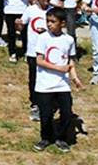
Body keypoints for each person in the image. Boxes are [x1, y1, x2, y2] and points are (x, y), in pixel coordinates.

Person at [32, 8, 83, 153]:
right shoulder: (43, 38)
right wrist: (58, 68)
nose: (49, 24)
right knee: (46, 114)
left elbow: (70, 61)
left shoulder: (68, 40)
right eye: (47, 21)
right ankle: (46, 137)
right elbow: (39, 61)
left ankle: (61, 138)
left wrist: (75, 78)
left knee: (66, 112)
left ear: (63, 23)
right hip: (45, 85)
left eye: (53, 22)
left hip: (62, 85)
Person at [18, 0, 53, 122]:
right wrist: (18, 23)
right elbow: (21, 26)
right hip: (33, 51)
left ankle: (48, 101)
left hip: (49, 52)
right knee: (34, 78)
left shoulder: (52, 11)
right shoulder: (30, 10)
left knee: (47, 77)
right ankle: (35, 102)